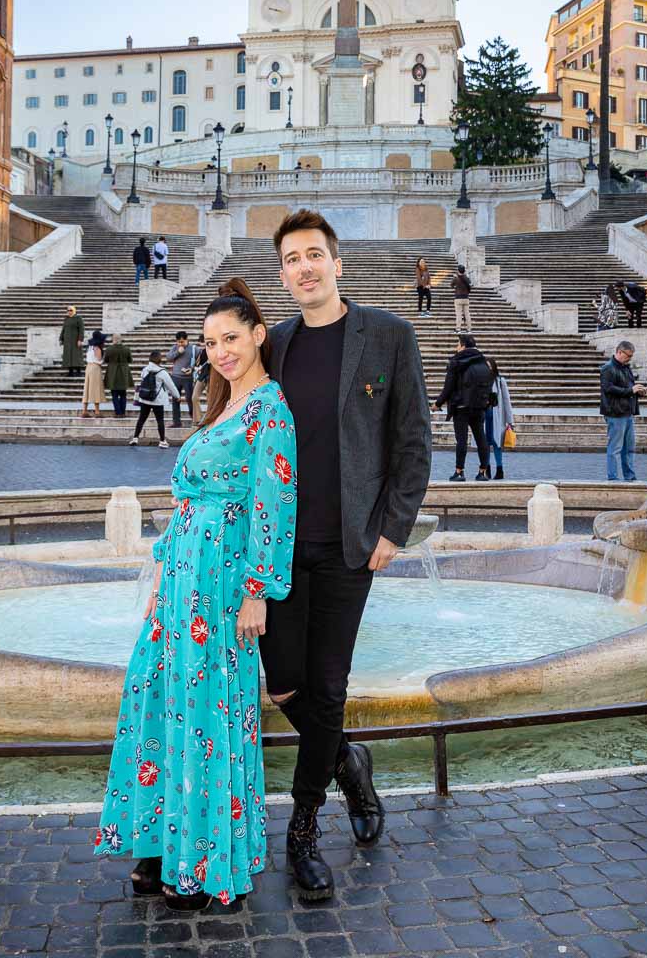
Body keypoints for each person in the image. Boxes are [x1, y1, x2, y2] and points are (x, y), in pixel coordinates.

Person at [95, 279, 296, 911]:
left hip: (221, 584)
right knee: (158, 701)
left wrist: (259, 591)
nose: (219, 351)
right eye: (209, 342)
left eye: (230, 338)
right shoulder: (218, 409)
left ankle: (207, 863)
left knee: (208, 716)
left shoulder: (271, 412)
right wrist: (160, 572)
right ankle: (160, 843)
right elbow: (185, 504)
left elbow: (275, 505)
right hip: (181, 581)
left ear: (258, 335)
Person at [260, 209, 431, 902]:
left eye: (314, 255)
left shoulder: (389, 335)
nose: (304, 267)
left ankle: (302, 834)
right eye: (292, 259)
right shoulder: (274, 344)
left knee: (327, 686)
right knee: (284, 685)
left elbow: (413, 441)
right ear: (282, 273)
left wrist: (394, 529)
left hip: (351, 545)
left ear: (338, 262)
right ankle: (349, 764)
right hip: (277, 548)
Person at [433, 333, 493, 482]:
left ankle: (459, 472)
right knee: (481, 438)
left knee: (461, 440)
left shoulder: (457, 362)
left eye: (458, 344)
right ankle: (483, 472)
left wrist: (438, 404)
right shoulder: (484, 362)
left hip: (461, 406)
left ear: (463, 346)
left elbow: (448, 387)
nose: (456, 347)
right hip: (479, 406)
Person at [600, 340, 647, 482]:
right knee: (615, 448)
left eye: (631, 356)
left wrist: (639, 390)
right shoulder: (607, 368)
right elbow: (608, 389)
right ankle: (613, 478)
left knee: (629, 448)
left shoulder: (625, 367)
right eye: (628, 355)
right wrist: (630, 390)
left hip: (628, 412)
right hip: (615, 413)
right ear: (619, 352)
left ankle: (630, 477)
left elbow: (629, 387)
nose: (629, 359)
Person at [129, 350, 179, 447]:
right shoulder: (162, 372)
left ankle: (135, 438)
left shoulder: (145, 369)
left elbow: (143, 379)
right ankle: (162, 441)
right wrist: (177, 396)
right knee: (160, 420)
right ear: (159, 359)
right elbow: (171, 386)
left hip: (145, 399)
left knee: (141, 419)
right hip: (157, 400)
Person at [484, 357, 514, 480]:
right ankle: (486, 468)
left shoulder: (500, 381)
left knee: (497, 444)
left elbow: (507, 401)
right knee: (485, 444)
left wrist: (510, 421)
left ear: (494, 367)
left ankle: (499, 469)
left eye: (489, 366)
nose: (487, 368)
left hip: (497, 418)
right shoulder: (480, 381)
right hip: (485, 417)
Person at [167, 330, 200, 428]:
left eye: (182, 342)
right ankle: (176, 422)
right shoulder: (175, 348)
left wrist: (192, 369)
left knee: (190, 399)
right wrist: (178, 352)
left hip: (188, 378)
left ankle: (193, 417)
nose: (180, 344)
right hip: (176, 377)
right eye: (178, 342)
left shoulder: (194, 349)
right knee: (175, 399)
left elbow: (200, 361)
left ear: (187, 339)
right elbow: (168, 357)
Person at [104, 334, 134, 417]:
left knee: (114, 394)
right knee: (123, 394)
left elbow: (106, 360)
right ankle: (123, 412)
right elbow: (130, 360)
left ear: (113, 340)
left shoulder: (109, 349)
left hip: (112, 372)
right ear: (121, 339)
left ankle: (118, 412)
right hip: (124, 372)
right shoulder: (126, 349)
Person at [81, 331, 105, 418]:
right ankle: (97, 411)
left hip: (88, 367)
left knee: (87, 389)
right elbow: (99, 359)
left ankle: (84, 410)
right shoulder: (97, 348)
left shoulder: (90, 347)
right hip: (95, 368)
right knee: (96, 389)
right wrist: (103, 359)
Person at [59, 306, 84, 376]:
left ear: (74, 311)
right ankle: (71, 371)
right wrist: (61, 338)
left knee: (76, 356)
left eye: (71, 310)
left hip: (75, 340)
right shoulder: (66, 319)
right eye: (68, 310)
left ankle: (79, 372)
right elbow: (63, 329)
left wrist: (80, 339)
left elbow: (81, 330)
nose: (69, 312)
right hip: (67, 341)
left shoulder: (78, 319)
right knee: (68, 356)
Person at [191, 333, 209, 422]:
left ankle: (210, 418)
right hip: (202, 376)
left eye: (203, 343)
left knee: (211, 399)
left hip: (212, 377)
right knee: (194, 397)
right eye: (200, 343)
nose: (201, 345)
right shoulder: (201, 352)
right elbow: (198, 364)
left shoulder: (214, 350)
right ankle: (197, 420)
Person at [451, 264, 472, 332]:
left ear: (458, 270)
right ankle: (469, 329)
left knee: (459, 314)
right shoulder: (466, 277)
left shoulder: (456, 278)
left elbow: (451, 285)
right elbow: (470, 284)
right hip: (466, 297)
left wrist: (454, 277)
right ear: (464, 270)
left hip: (458, 297)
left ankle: (458, 328)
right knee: (467, 314)